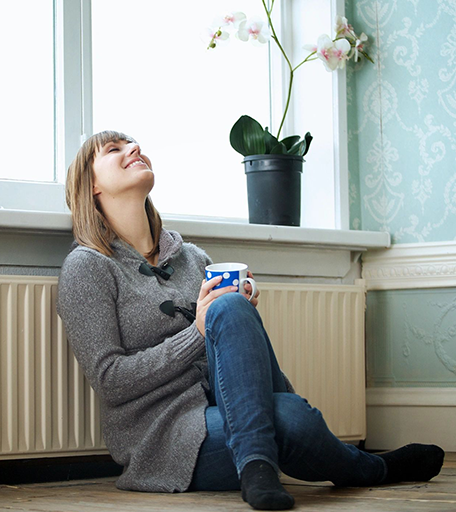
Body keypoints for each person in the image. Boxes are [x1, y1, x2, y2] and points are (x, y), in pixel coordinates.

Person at [56, 130, 444, 511]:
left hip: (234, 409)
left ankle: (259, 468)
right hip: (167, 439)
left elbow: (227, 346)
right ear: (91, 185)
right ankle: (366, 468)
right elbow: (110, 380)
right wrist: (196, 333)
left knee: (231, 311)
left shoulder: (192, 258)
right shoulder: (87, 267)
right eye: (114, 149)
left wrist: (240, 312)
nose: (135, 148)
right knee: (292, 419)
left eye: (134, 143)